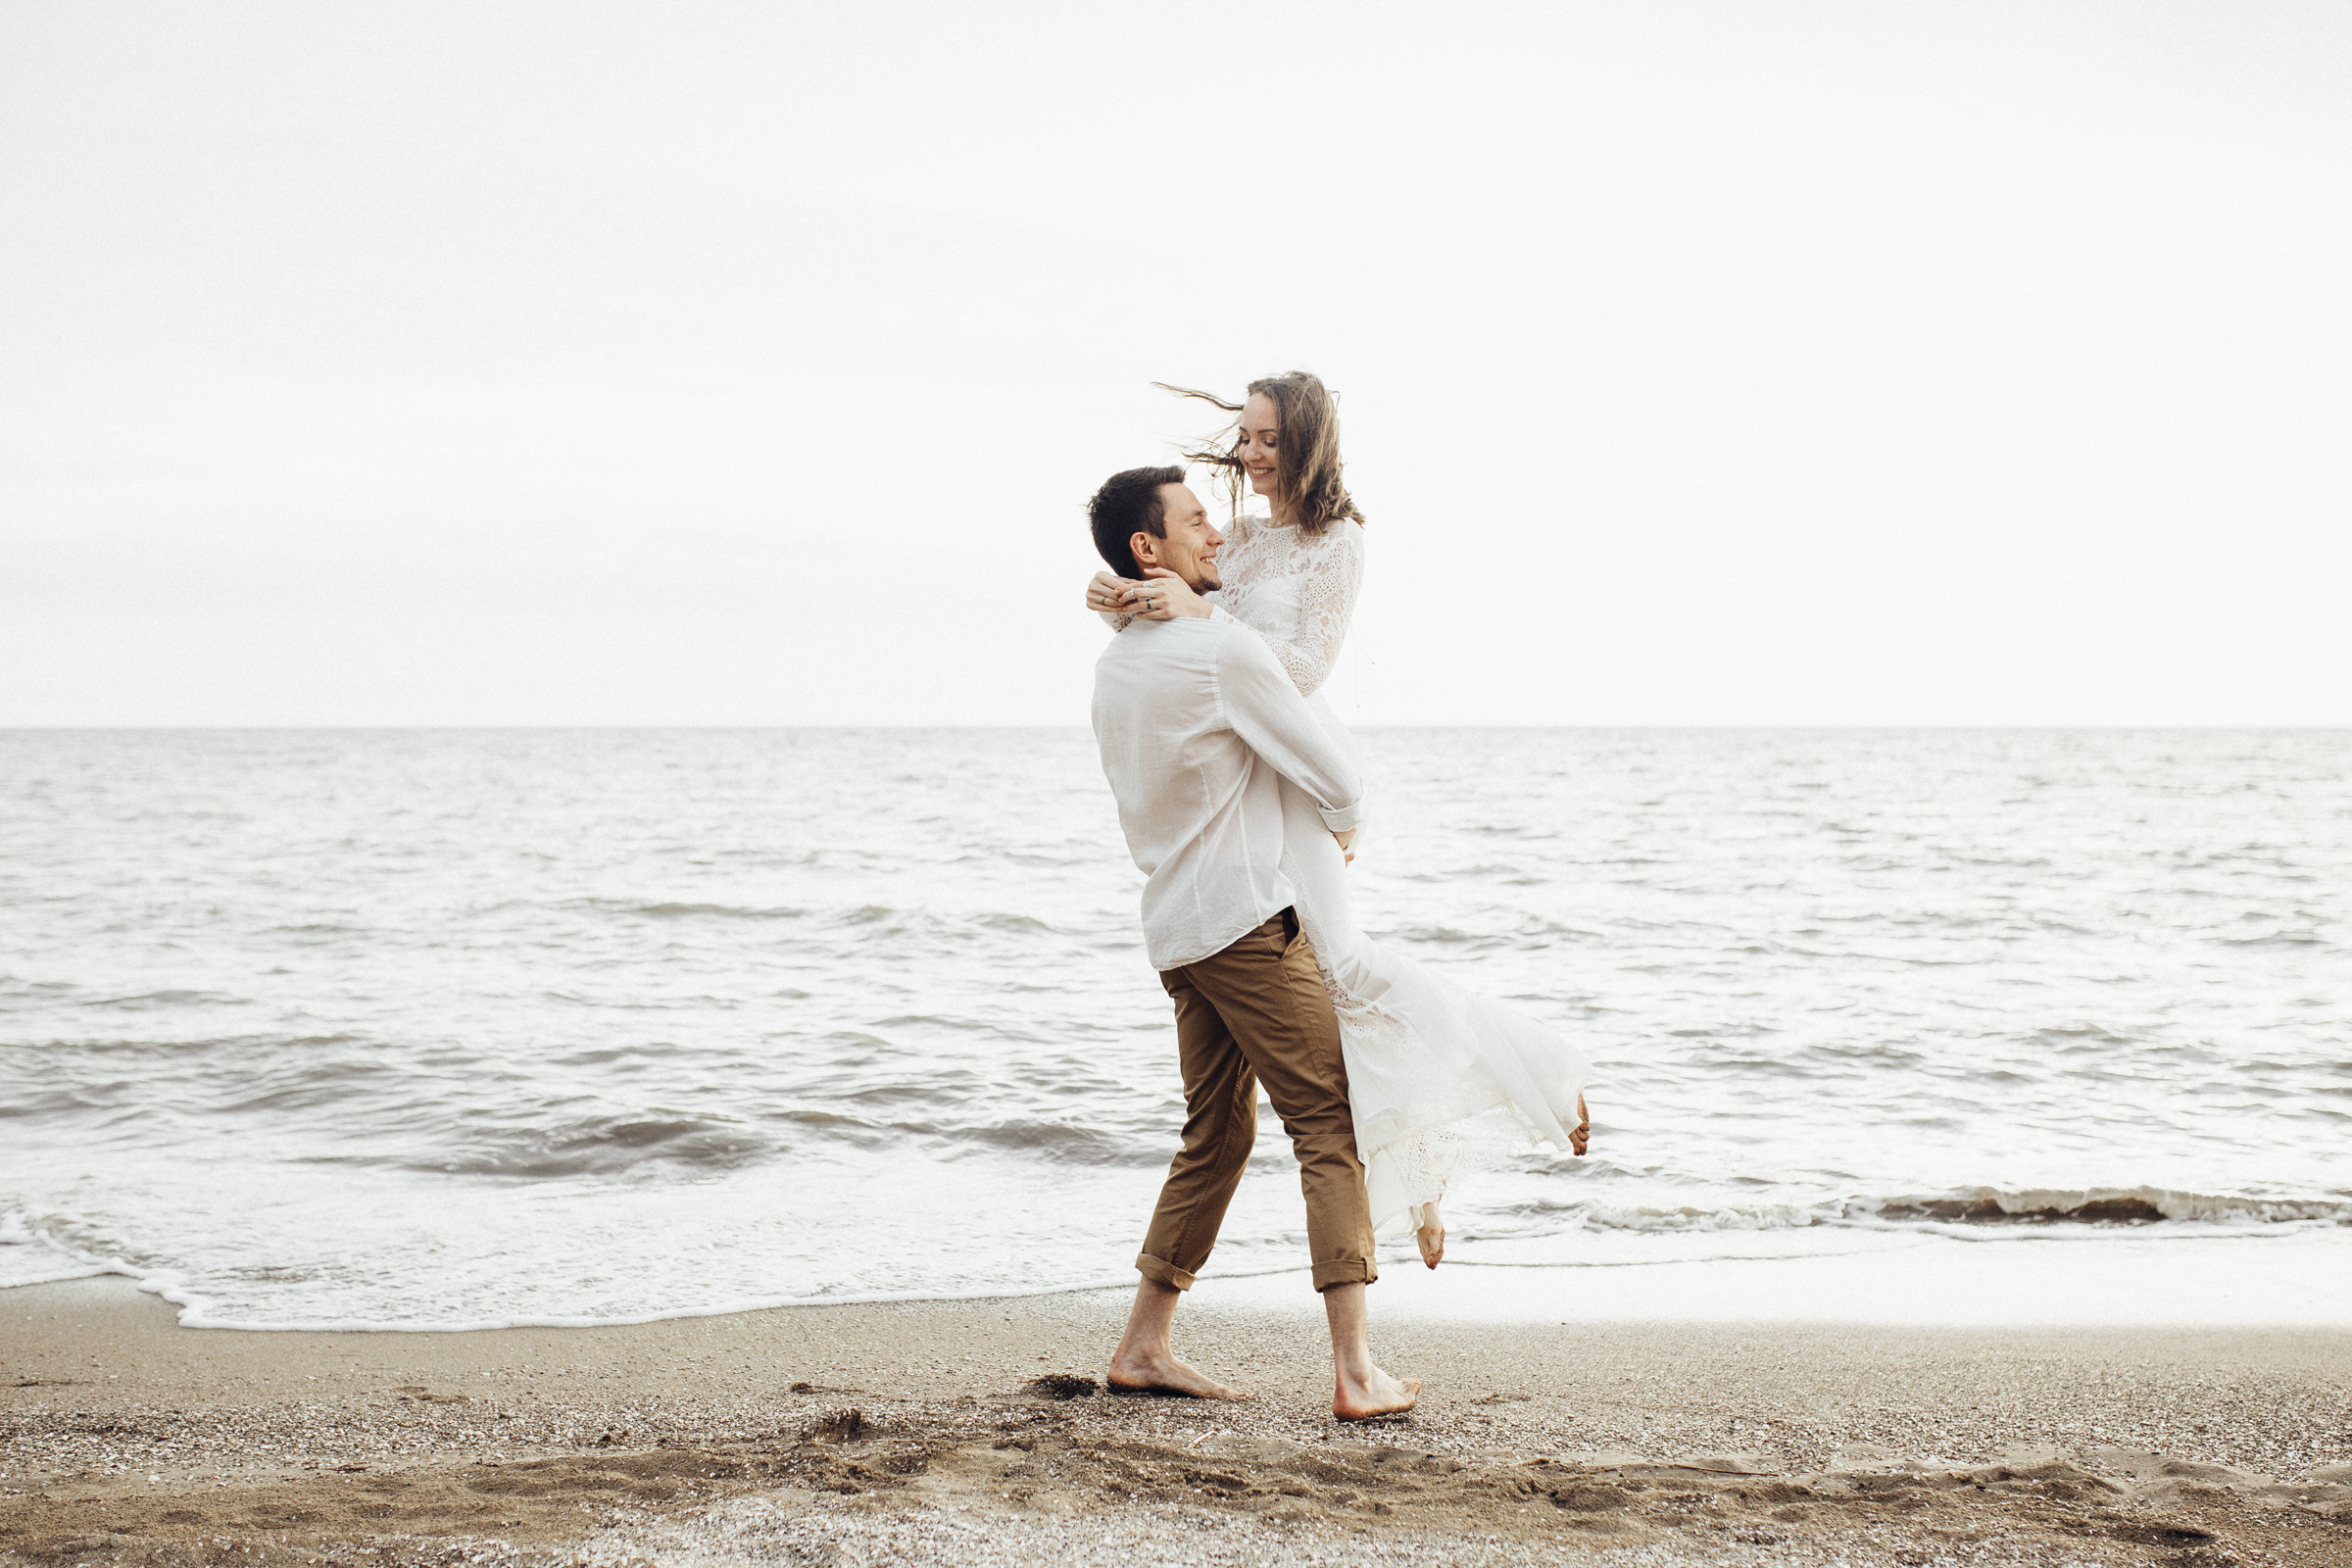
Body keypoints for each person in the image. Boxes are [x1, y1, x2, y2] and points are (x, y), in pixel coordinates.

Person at [1086, 373, 1592, 1271]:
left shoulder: (1339, 543)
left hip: (1298, 759)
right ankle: (1414, 1172)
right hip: (1241, 766)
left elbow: (1305, 669)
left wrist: (1202, 612)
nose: (1251, 455)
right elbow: (1177, 614)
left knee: (1345, 965)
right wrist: (1119, 591)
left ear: (1310, 442)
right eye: (1246, 437)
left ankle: (1536, 1070)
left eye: (1270, 439)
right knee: (1322, 985)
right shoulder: (1229, 539)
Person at [1088, 464, 1420, 1422]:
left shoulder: (1116, 666)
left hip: (1178, 933)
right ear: (1148, 550)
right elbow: (1330, 770)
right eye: (1196, 522)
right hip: (1242, 923)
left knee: (1218, 1134)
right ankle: (1358, 1372)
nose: (1217, 533)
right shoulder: (1219, 653)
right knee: (1328, 1122)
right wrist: (1347, 822)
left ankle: (1143, 1346)